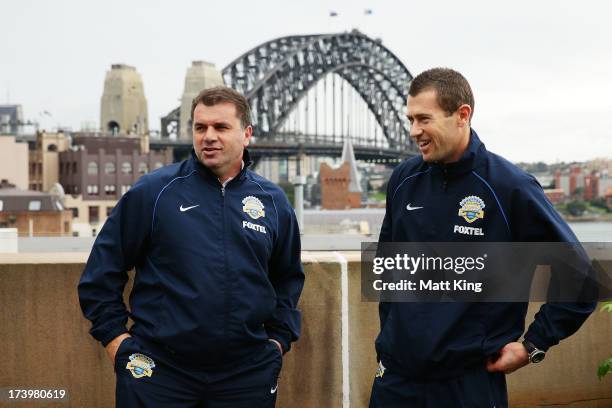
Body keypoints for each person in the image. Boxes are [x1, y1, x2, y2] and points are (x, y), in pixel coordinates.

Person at [369, 68, 596, 407]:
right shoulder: (403, 180)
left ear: (462, 115)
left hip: (468, 384)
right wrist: (391, 342)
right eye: (411, 119)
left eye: (424, 119)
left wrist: (533, 345)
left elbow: (581, 277)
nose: (414, 131)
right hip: (397, 381)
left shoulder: (509, 187)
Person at [78, 86, 304, 407]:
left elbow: (287, 279)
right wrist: (119, 343)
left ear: (247, 134)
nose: (208, 136)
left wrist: (277, 342)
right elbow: (100, 274)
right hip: (159, 372)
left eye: (221, 127)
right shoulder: (154, 192)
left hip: (246, 373)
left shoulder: (273, 201)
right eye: (201, 128)